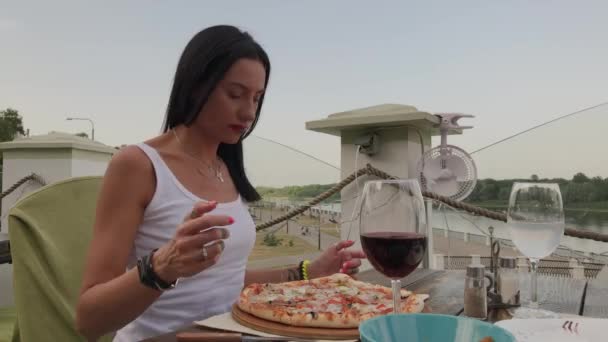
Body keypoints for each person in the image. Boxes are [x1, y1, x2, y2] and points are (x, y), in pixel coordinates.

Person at [75, 25, 366, 342]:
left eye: (257, 98)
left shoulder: (225, 169)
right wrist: (161, 267)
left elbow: (223, 280)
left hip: (234, 333)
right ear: (196, 86)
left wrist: (309, 272)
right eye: (235, 95)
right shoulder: (138, 165)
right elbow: (89, 319)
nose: (249, 112)